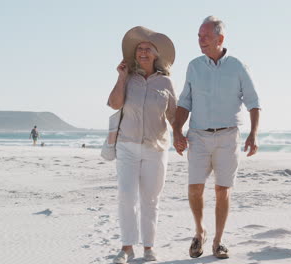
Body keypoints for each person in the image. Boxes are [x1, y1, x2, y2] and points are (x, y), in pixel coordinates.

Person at [173, 16, 261, 259]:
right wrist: (176, 131)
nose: (200, 41)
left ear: (220, 39)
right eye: (199, 36)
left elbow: (254, 103)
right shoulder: (194, 66)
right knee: (194, 188)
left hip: (228, 136)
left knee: (223, 190)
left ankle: (219, 241)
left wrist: (253, 134)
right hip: (198, 136)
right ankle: (199, 231)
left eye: (205, 36)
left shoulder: (238, 67)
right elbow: (184, 102)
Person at [107, 26, 177, 263]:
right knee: (126, 196)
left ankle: (148, 248)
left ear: (156, 54)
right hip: (127, 145)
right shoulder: (129, 79)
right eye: (139, 49)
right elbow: (114, 104)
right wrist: (121, 77)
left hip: (156, 148)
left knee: (150, 199)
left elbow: (173, 116)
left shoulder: (166, 83)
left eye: (148, 49)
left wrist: (180, 135)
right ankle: (127, 247)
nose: (143, 52)